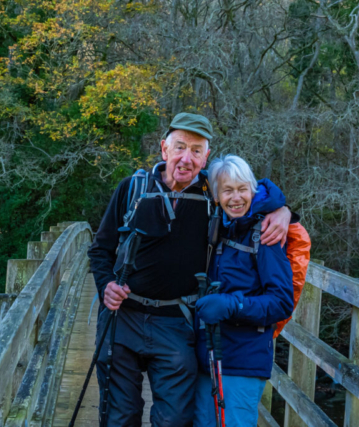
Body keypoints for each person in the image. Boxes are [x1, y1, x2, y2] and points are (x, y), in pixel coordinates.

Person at [87, 113, 293, 426]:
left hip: (177, 322)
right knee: (120, 416)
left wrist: (284, 211)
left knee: (174, 420)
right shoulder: (133, 189)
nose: (187, 157)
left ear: (206, 157)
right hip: (122, 319)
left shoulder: (213, 195)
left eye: (196, 150)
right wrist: (105, 286)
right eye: (180, 147)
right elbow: (100, 249)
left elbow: (252, 196)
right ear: (164, 149)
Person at [194, 154, 310, 426]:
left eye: (242, 189)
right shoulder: (216, 227)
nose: (236, 198)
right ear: (215, 195)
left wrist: (233, 304)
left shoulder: (266, 234)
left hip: (243, 362)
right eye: (227, 190)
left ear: (252, 190)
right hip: (207, 358)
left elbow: (281, 302)